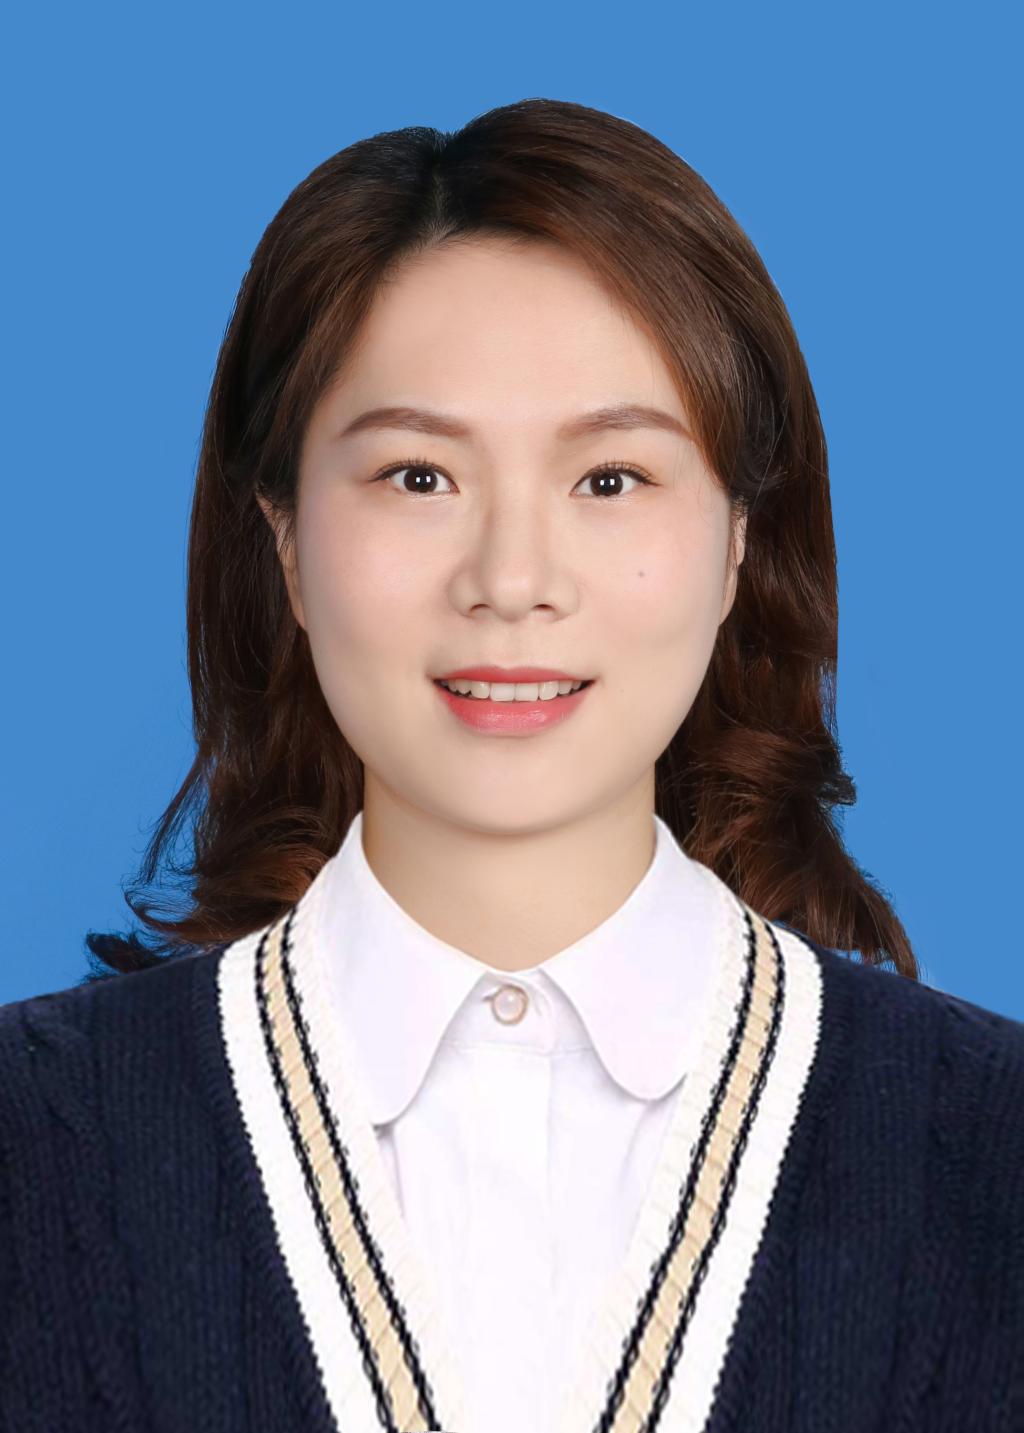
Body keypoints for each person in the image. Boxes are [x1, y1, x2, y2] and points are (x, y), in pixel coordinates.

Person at [1, 97, 1021, 1433]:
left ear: (738, 541)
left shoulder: (990, 1148)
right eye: (418, 476)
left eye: (611, 479)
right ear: (285, 541)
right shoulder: (34, 1140)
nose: (512, 579)